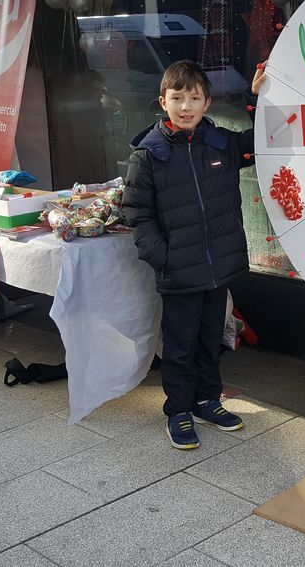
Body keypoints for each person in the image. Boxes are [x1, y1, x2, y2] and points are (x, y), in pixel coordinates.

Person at [122, 59, 265, 449]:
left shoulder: (220, 143)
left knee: (209, 338)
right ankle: (179, 411)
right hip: (179, 271)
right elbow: (136, 212)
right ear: (162, 102)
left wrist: (258, 95)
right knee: (180, 343)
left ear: (207, 103)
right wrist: (162, 255)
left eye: (194, 98)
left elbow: (264, 137)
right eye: (177, 98)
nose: (186, 106)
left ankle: (207, 400)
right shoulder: (148, 155)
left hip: (218, 268)